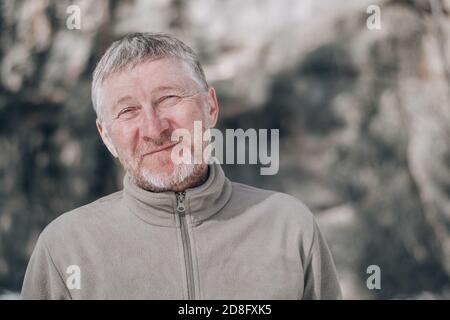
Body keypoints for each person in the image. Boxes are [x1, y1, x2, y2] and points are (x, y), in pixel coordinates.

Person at [21, 32, 342, 299]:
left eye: (169, 98)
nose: (154, 128)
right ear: (105, 135)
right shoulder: (65, 248)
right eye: (128, 110)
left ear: (211, 106)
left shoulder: (289, 226)